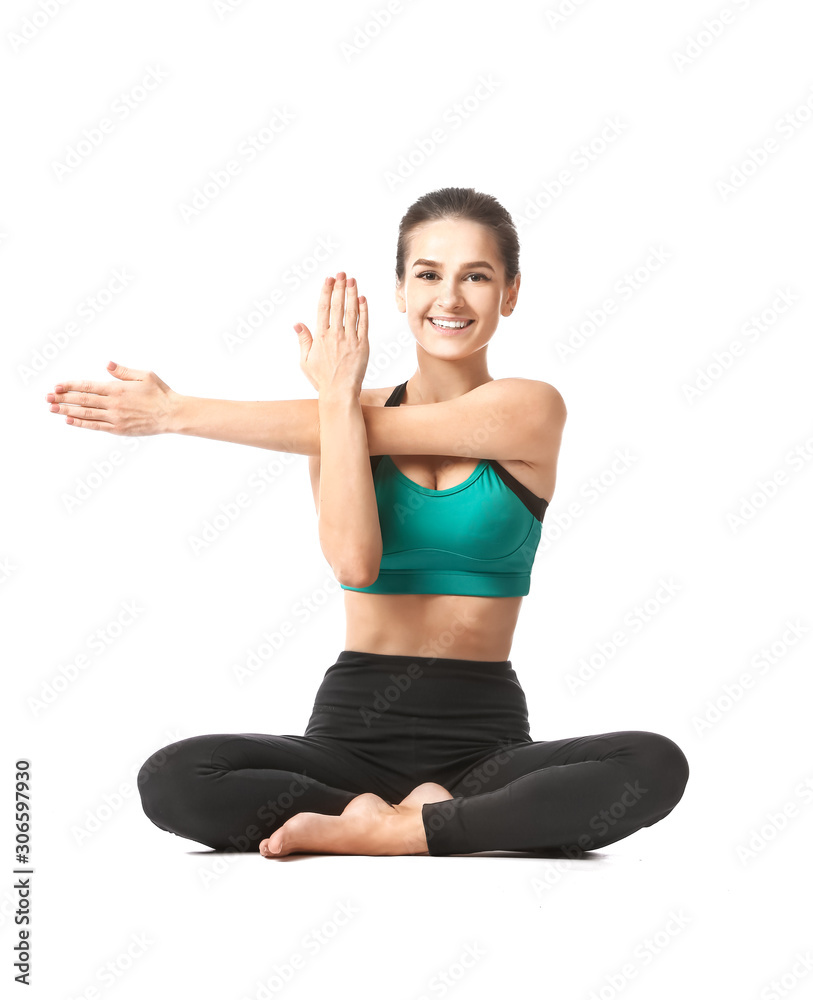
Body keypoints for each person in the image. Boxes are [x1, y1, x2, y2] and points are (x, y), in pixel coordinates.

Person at [44, 186, 689, 858]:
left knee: (652, 765)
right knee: (174, 779)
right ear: (400, 292)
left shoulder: (530, 408)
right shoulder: (332, 424)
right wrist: (333, 410)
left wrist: (183, 412)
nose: (450, 298)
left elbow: (390, 424)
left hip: (484, 739)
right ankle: (395, 817)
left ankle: (397, 830)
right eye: (428, 274)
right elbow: (355, 565)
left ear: (510, 292)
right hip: (349, 734)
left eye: (476, 276)